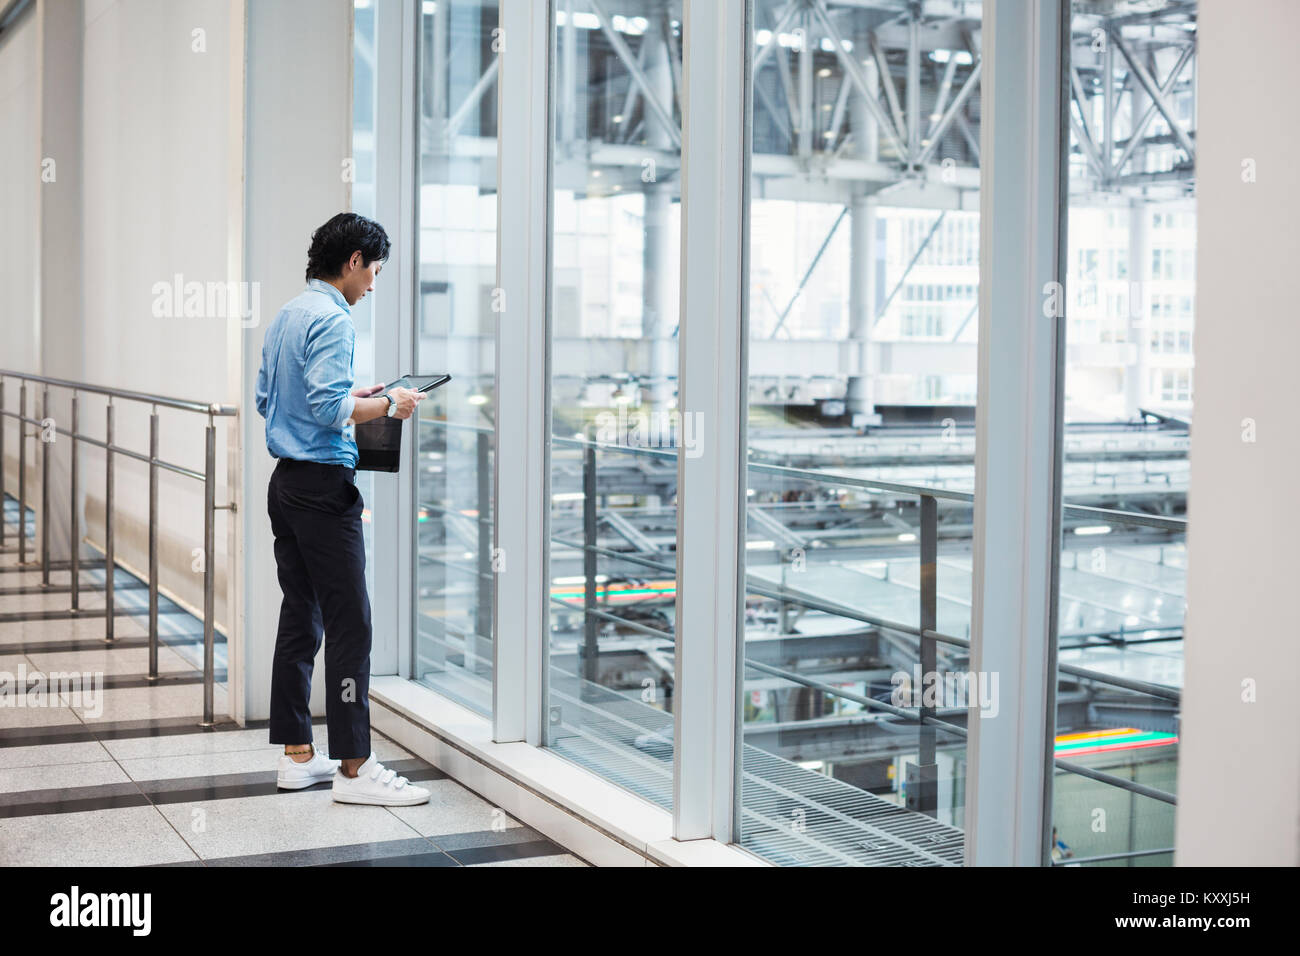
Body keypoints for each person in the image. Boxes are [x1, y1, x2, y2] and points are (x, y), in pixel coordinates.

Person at [255, 212, 429, 806]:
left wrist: (355, 397)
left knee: (301, 614)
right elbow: (329, 412)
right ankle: (354, 766)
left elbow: (268, 399)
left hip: (285, 483)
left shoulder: (288, 314)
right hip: (325, 490)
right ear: (353, 260)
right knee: (351, 621)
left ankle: (298, 756)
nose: (373, 285)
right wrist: (389, 404)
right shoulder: (333, 319)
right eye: (373, 270)